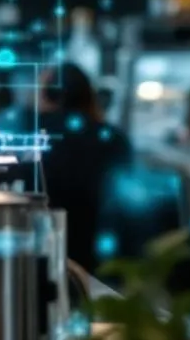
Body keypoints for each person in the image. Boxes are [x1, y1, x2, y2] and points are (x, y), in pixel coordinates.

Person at [34, 62, 132, 272]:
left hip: (46, 253)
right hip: (102, 257)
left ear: (49, 96)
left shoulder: (35, 138)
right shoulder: (114, 139)